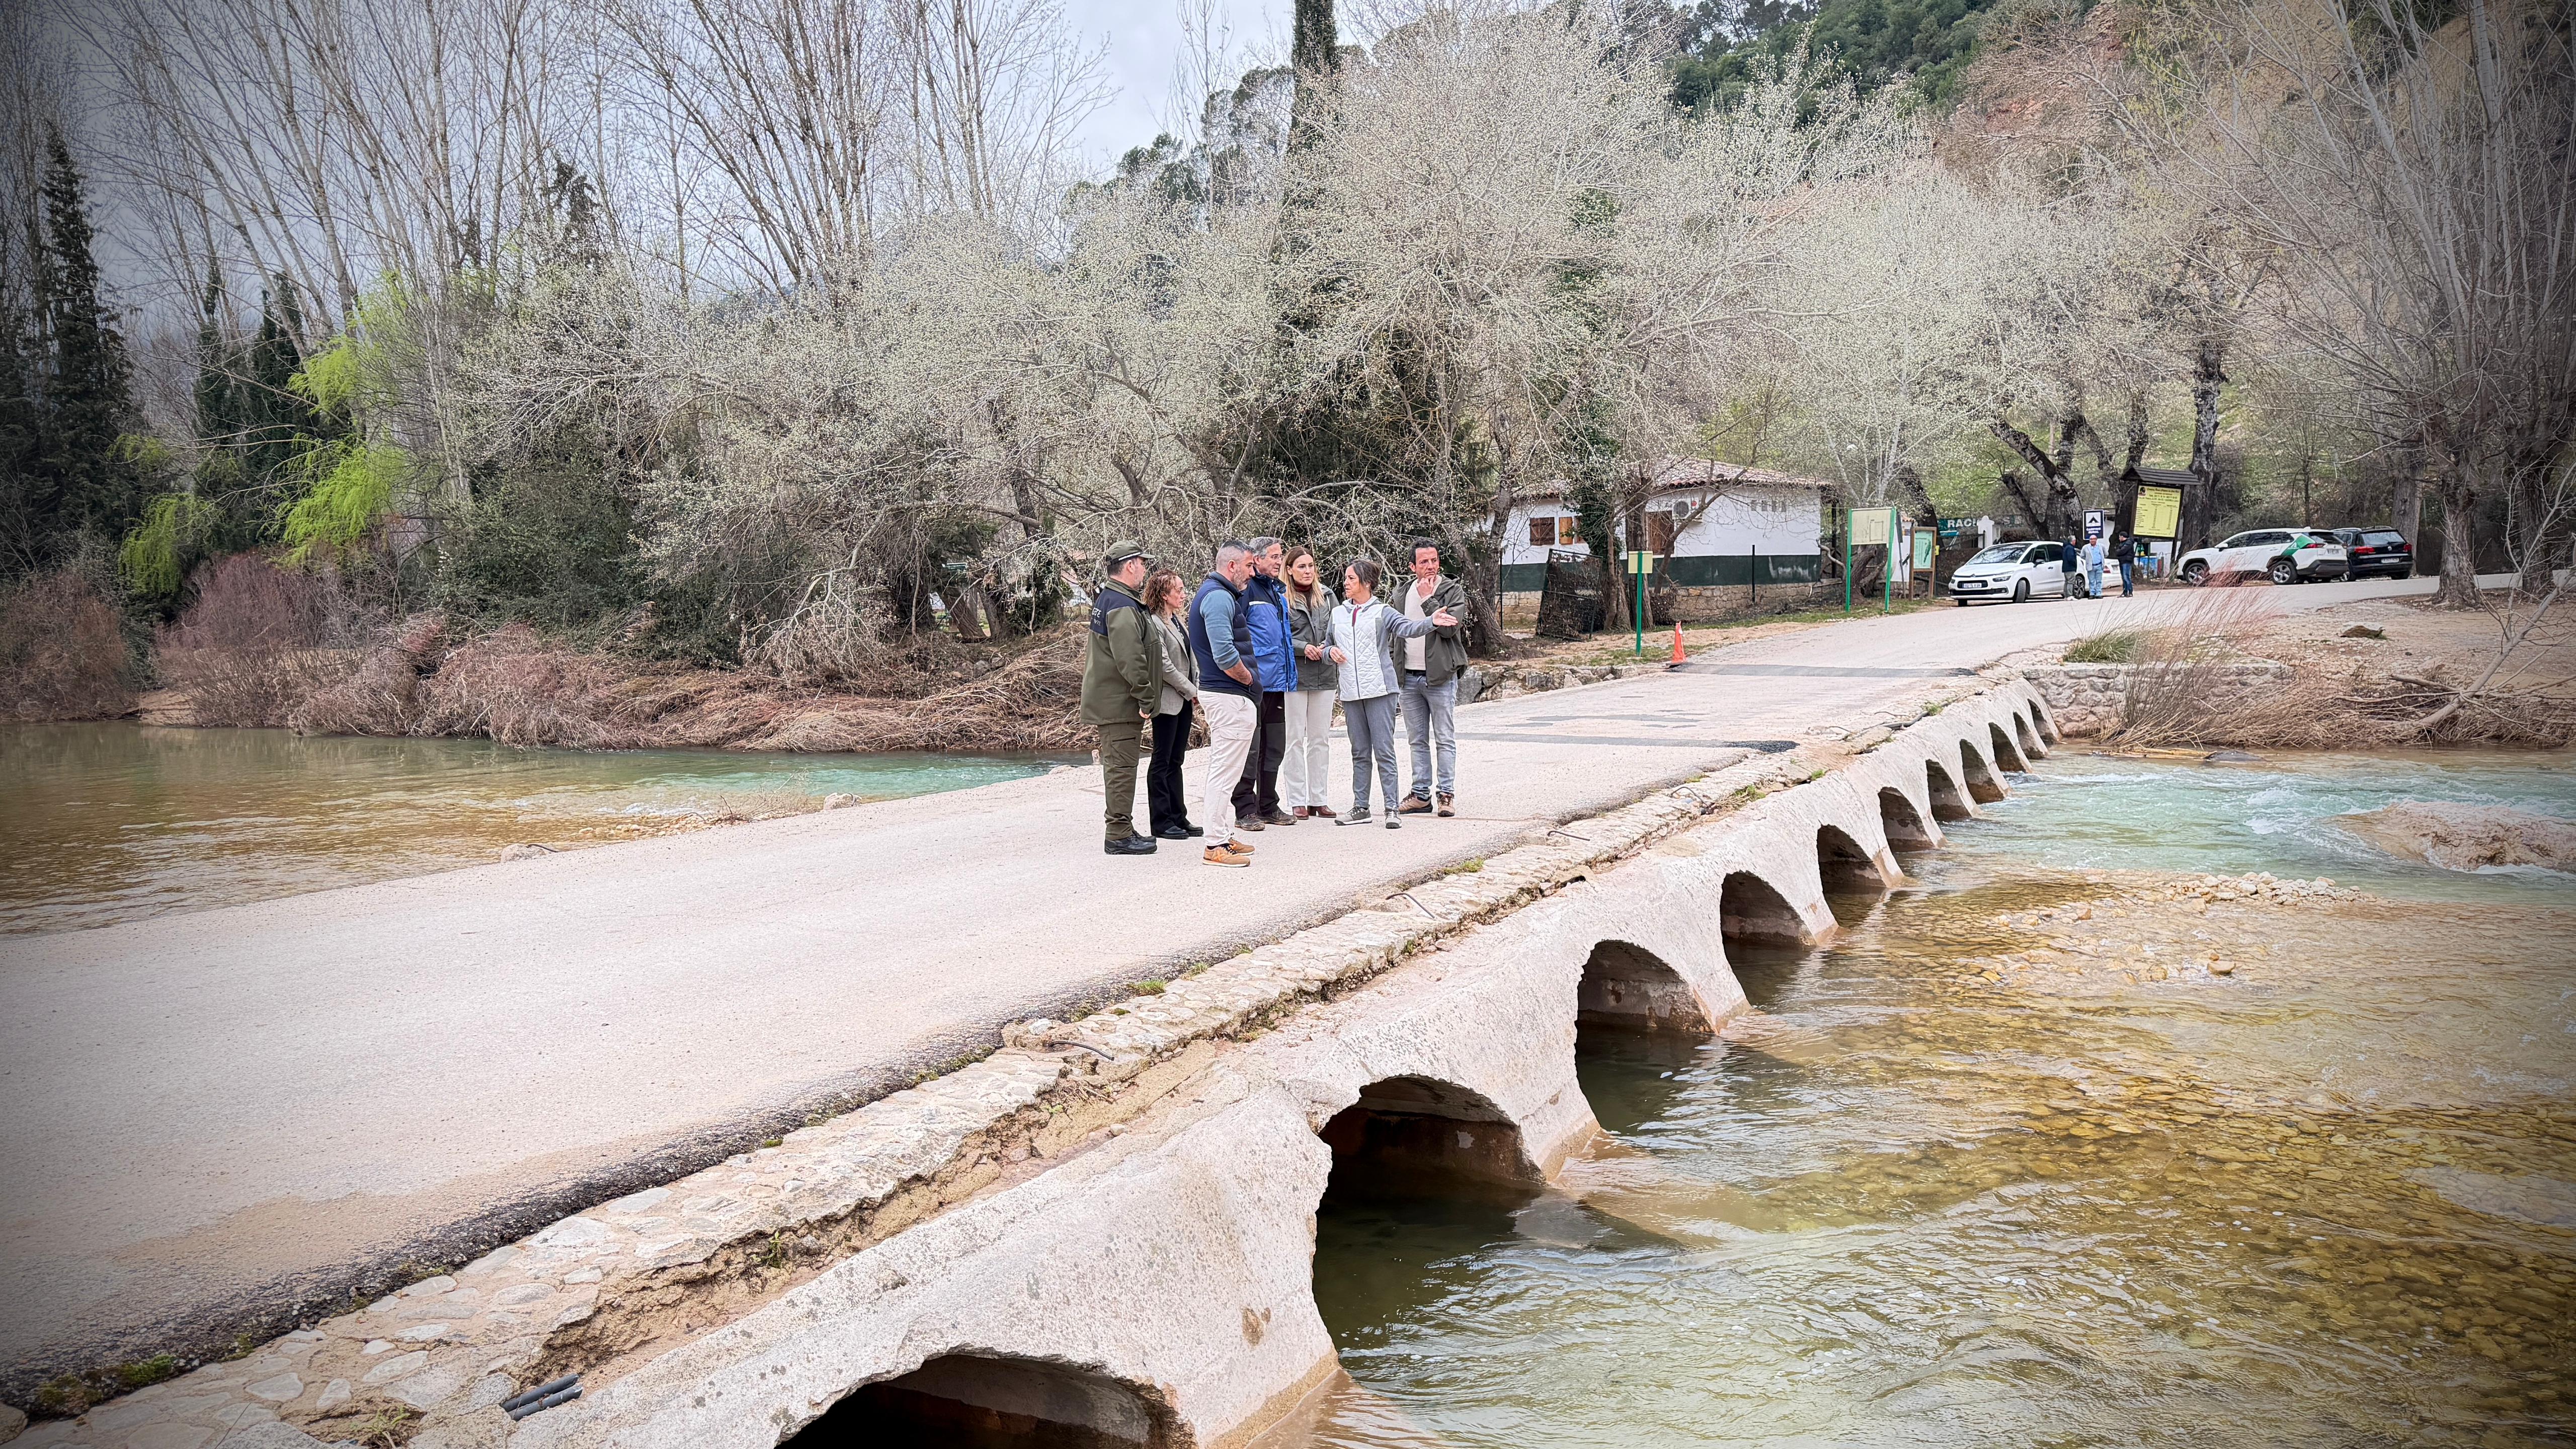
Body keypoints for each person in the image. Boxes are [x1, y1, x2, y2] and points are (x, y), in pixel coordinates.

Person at [1326, 558, 1457, 829]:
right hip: (1350, 692)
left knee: (1384, 751)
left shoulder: (1382, 611)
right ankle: (1361, 808)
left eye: (1351, 578)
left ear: (1366, 583)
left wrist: (1432, 621)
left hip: (1381, 690)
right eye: (1346, 578)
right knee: (1359, 752)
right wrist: (1330, 652)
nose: (1346, 583)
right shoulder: (1337, 613)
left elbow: (1408, 628)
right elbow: (1327, 646)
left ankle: (1391, 809)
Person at [1078, 542, 1160, 856]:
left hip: (1116, 699)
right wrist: (1146, 698)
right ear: (1129, 566)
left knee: (1121, 766)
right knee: (1121, 768)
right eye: (1142, 563)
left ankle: (1123, 827)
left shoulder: (1113, 598)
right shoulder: (1122, 604)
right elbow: (1130, 659)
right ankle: (1118, 835)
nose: (1144, 569)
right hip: (1120, 702)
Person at [1187, 542, 1263, 867]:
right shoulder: (1218, 597)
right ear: (1232, 566)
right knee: (1224, 772)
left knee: (1228, 771)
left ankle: (1222, 834)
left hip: (1228, 694)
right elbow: (1224, 653)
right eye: (1248, 565)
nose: (1252, 572)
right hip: (1228, 694)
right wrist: (1248, 680)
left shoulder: (1218, 594)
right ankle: (1215, 845)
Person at [1394, 539, 1470, 818]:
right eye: (1424, 562)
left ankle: (1446, 795)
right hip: (1408, 678)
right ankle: (1420, 795)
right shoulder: (1401, 593)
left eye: (1434, 560)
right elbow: (1395, 632)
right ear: (1412, 566)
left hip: (1440, 677)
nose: (1430, 566)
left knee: (1444, 738)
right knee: (1417, 740)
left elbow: (1449, 630)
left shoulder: (1452, 591)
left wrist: (1428, 599)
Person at [1230, 537, 1299, 831]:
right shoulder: (1247, 590)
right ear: (1256, 560)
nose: (1279, 561)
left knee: (1275, 748)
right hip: (1254, 682)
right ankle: (1245, 809)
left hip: (1278, 683)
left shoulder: (1277, 592)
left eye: (1281, 556)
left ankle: (1268, 805)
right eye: (1274, 556)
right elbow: (1236, 633)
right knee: (1251, 749)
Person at [1280, 547, 1339, 820]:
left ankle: (1319, 798)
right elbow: (1278, 635)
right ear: (1290, 570)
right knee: (1294, 738)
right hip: (1295, 675)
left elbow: (1338, 628)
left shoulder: (1327, 596)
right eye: (1301, 566)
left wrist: (1327, 645)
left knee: (1320, 739)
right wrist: (1303, 647)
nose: (1307, 571)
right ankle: (1297, 800)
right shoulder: (1281, 598)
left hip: (1324, 674)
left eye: (1311, 566)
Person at [1143, 568, 1202, 842]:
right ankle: (1161, 821)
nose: (1183, 594)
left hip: (1184, 700)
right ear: (1164, 595)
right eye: (1178, 590)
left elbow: (1190, 657)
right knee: (1162, 760)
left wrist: (1195, 686)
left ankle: (1179, 816)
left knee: (1177, 760)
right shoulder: (1155, 623)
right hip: (1168, 701)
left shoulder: (1176, 620)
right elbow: (1164, 665)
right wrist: (1191, 689)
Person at [2082, 533, 2107, 600]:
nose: (2092, 540)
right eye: (2091, 539)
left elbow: (2106, 554)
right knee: (2091, 581)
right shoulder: (2086, 547)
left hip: (2099, 566)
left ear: (2096, 540)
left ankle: (2099, 593)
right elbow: (2082, 555)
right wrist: (2088, 560)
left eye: (2094, 539)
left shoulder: (2101, 546)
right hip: (2091, 567)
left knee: (2099, 581)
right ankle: (2092, 594)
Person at [2060, 533, 2084, 600]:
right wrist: (2074, 564)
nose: (2075, 542)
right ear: (2073, 541)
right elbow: (2071, 558)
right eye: (2075, 541)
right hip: (2070, 568)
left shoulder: (2066, 548)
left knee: (2067, 581)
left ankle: (2066, 596)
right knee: (2071, 581)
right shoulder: (2070, 548)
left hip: (2066, 568)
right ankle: (2070, 595)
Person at [2114, 531, 2137, 597]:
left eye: (2119, 537)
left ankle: (2130, 591)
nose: (2119, 539)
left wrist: (2118, 551)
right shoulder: (2122, 543)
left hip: (2127, 561)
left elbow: (2122, 551)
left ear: (2122, 537)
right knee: (2124, 578)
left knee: (2127, 577)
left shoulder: (2128, 543)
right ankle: (2125, 591)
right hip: (2122, 561)